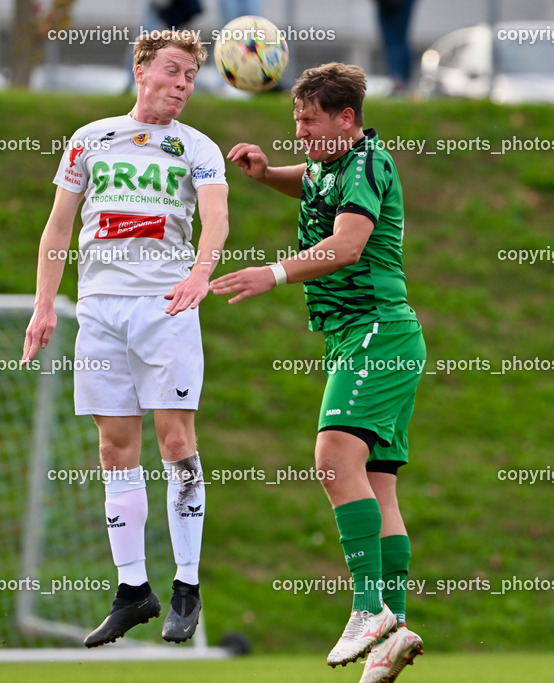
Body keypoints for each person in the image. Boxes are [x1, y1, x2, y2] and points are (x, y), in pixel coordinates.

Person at [210, 62, 424, 682]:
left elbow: (348, 244)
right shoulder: (336, 163)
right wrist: (266, 174)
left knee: (332, 457)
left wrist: (271, 273)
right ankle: (394, 631)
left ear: (346, 119)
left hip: (375, 332)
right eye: (295, 123)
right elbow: (313, 181)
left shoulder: (366, 162)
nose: (300, 134)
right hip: (369, 336)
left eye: (308, 123)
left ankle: (367, 609)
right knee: (376, 486)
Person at [22, 29, 229, 648]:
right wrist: (43, 307)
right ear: (141, 70)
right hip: (100, 310)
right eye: (172, 71)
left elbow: (216, 217)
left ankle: (187, 586)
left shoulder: (198, 148)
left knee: (175, 441)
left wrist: (200, 272)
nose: (182, 85)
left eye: (190, 77)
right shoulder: (89, 139)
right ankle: (133, 591)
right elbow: (58, 225)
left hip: (165, 307)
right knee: (116, 449)